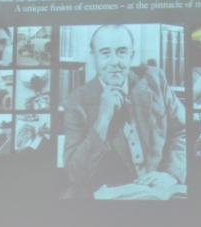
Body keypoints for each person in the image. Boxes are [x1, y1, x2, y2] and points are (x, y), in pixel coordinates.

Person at [63, 25, 185, 197]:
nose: (115, 62)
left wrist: (171, 173)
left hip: (161, 191)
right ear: (93, 57)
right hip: (110, 198)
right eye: (105, 53)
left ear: (131, 55)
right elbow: (75, 174)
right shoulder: (76, 101)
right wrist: (103, 119)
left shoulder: (154, 80)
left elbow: (182, 131)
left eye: (122, 52)